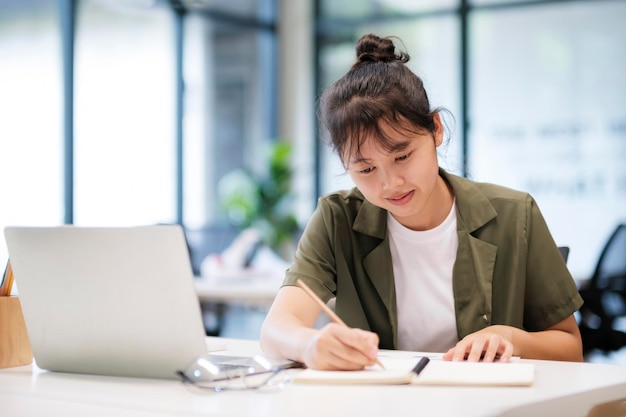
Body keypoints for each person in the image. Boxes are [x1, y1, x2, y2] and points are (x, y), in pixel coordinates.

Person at [259, 33, 583, 370]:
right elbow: (275, 330)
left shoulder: (516, 215)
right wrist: (310, 343)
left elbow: (570, 347)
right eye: (366, 168)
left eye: (402, 156)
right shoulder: (336, 218)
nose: (390, 184)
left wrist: (509, 338)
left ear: (435, 130)